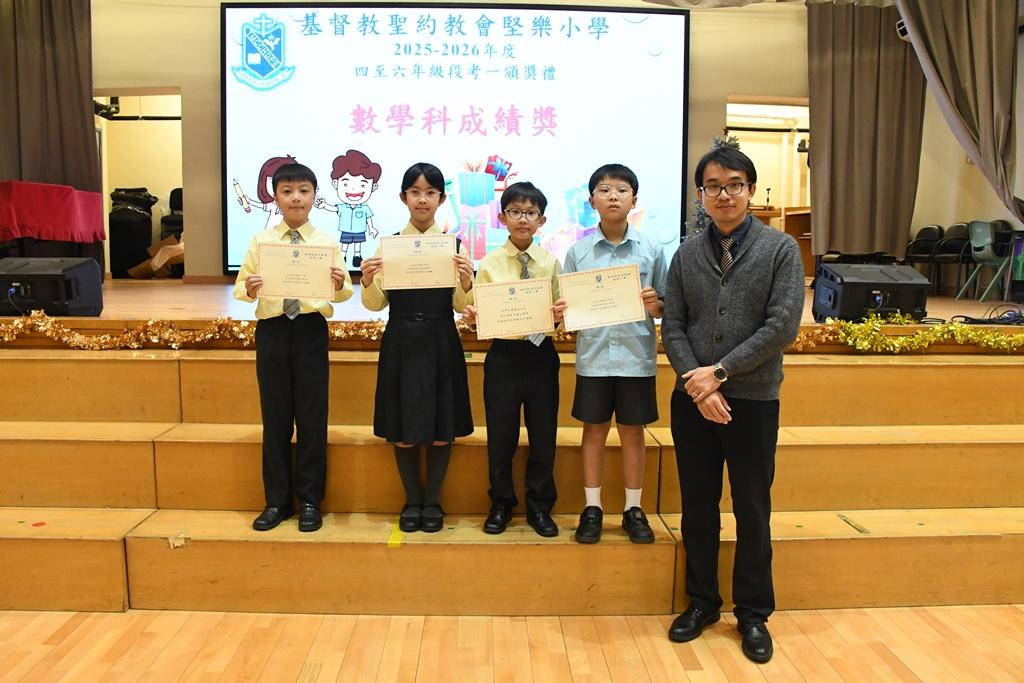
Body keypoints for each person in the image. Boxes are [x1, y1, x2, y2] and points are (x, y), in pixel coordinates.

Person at [661, 147, 804, 663]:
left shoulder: (781, 249)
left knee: (752, 507)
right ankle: (702, 602)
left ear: (750, 190)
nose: (724, 194)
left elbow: (782, 325)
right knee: (698, 507)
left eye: (735, 184)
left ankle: (753, 613)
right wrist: (699, 386)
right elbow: (673, 324)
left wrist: (719, 373)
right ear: (701, 194)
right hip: (692, 402)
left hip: (753, 400)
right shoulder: (685, 254)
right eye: (714, 186)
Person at [232, 162, 353, 532]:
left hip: (311, 330)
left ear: (314, 195)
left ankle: (311, 501)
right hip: (272, 331)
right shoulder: (261, 241)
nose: (296, 198)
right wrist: (250, 287)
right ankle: (277, 501)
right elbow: (240, 289)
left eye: (303, 190)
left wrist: (338, 282)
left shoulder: (326, 243)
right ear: (275, 197)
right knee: (276, 419)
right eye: (287, 191)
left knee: (313, 419)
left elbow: (345, 291)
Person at [553, 163, 668, 545]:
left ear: (635, 199)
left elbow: (666, 305)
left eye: (621, 189)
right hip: (594, 357)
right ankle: (593, 508)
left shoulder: (651, 250)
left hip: (636, 358)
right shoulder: (578, 253)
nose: (613, 196)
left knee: (633, 433)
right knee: (594, 431)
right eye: (604, 190)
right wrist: (562, 311)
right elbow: (569, 310)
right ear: (591, 201)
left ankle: (634, 509)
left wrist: (655, 305)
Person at [360, 162, 475, 533]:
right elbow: (376, 304)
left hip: (441, 337)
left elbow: (460, 305)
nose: (422, 199)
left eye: (430, 193)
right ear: (403, 197)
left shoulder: (454, 247)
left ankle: (432, 502)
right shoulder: (389, 245)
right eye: (415, 192)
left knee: (442, 428)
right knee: (402, 426)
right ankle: (412, 501)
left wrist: (466, 281)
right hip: (401, 339)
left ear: (441, 199)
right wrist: (367, 281)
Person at [461, 181, 562, 537]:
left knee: (543, 434)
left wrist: (560, 315)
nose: (523, 219)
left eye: (531, 213)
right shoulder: (489, 264)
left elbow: (560, 314)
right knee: (501, 435)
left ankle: (540, 505)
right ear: (502, 218)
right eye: (515, 212)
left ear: (542, 220)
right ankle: (501, 503)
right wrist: (474, 317)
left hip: (541, 355)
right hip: (503, 356)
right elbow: (479, 314)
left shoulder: (551, 263)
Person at [320, 149, 381, 268]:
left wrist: (372, 228)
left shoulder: (365, 208)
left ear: (373, 187)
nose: (353, 189)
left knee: (358, 244)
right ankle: (343, 256)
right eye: (346, 184)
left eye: (362, 185)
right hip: (346, 230)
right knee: (345, 243)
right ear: (335, 184)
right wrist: (324, 205)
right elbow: (333, 208)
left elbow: (368, 218)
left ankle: (357, 256)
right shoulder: (343, 207)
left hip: (359, 230)